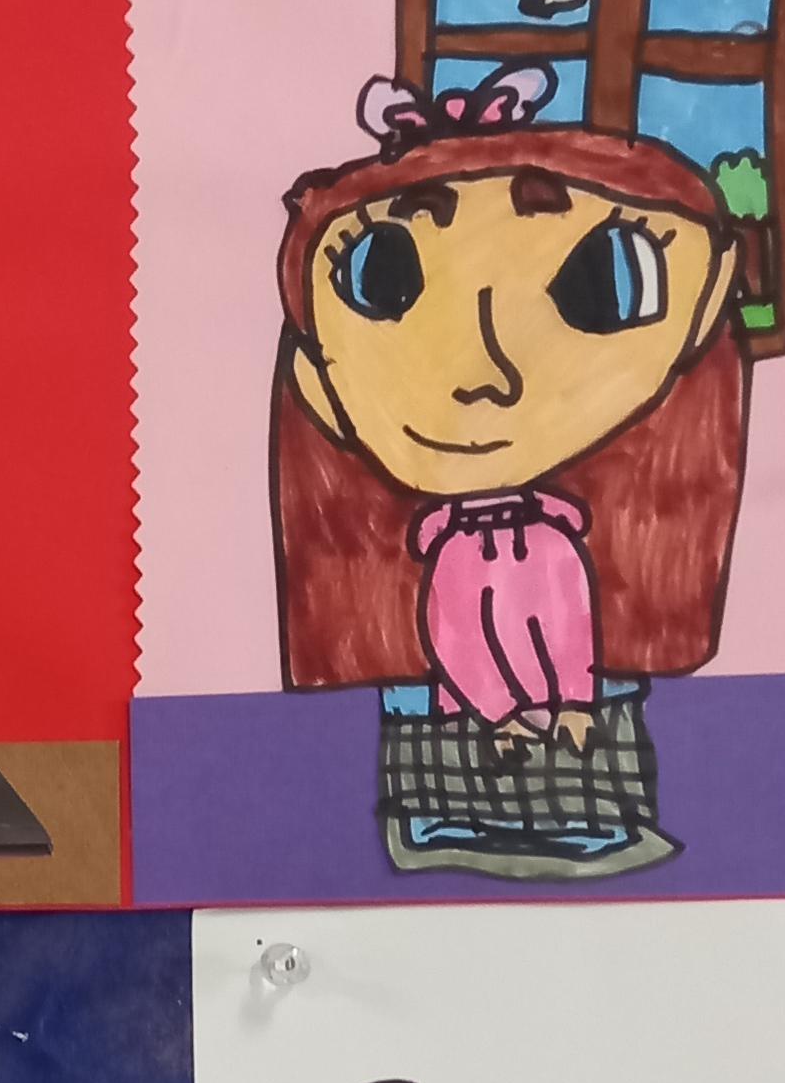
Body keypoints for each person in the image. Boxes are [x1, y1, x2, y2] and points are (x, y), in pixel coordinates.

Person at [271, 64, 748, 881]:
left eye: (605, 280)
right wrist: (498, 713)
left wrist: (570, 702)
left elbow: (574, 634)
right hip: (457, 686)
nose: (485, 375)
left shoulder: (588, 536)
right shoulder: (422, 548)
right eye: (381, 281)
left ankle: (573, 805)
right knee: (448, 674)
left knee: (568, 657)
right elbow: (450, 638)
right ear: (315, 374)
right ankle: (452, 809)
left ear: (706, 306)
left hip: (571, 682)